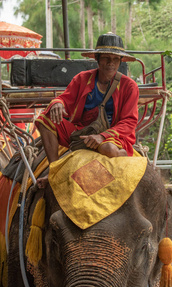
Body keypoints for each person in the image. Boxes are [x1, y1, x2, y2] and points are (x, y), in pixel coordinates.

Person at [35, 32, 139, 188]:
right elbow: (65, 98)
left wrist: (102, 136)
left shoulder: (129, 86)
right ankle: (54, 171)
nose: (111, 63)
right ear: (97, 59)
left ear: (120, 62)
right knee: (44, 119)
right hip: (82, 132)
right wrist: (57, 102)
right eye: (106, 58)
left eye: (115, 59)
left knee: (108, 148)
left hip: (113, 135)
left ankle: (122, 153)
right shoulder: (82, 78)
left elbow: (129, 121)